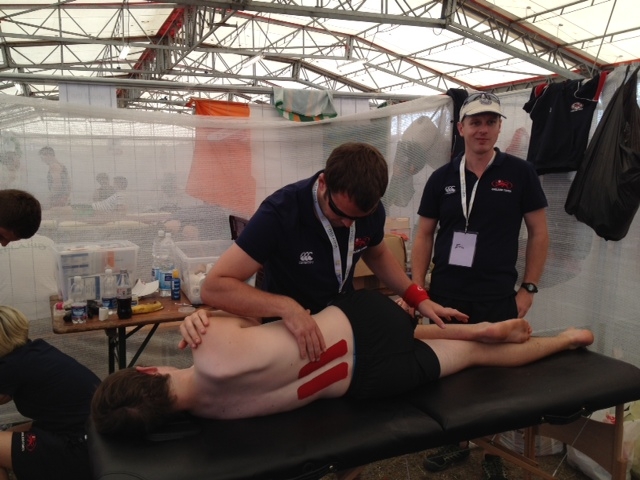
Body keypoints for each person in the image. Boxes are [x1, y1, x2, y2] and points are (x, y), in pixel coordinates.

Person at [91, 290, 593, 435]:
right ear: (148, 371)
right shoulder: (211, 348)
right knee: (402, 329)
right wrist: (202, 314)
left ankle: (566, 339)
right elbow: (251, 304)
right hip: (363, 325)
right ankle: (474, 325)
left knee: (482, 359)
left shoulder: (214, 417)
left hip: (370, 381)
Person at [179, 142, 468, 361]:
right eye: (340, 214)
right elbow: (214, 288)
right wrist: (286, 308)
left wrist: (417, 297)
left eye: (358, 217)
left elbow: (376, 252)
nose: (347, 224)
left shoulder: (369, 210)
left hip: (340, 323)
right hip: (287, 331)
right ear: (323, 183)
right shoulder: (279, 213)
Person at [411, 92, 549, 480]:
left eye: (490, 121)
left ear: (499, 127)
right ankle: (455, 441)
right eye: (475, 122)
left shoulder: (521, 174)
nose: (482, 129)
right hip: (446, 296)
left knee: (495, 378)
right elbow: (424, 235)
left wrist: (530, 288)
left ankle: (492, 450)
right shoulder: (442, 178)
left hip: (497, 294)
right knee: (449, 372)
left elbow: (539, 234)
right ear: (461, 129)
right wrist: (416, 289)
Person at [0, 305, 101, 480]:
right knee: (8, 435)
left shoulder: (10, 367)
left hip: (78, 447)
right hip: (96, 437)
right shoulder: (34, 350)